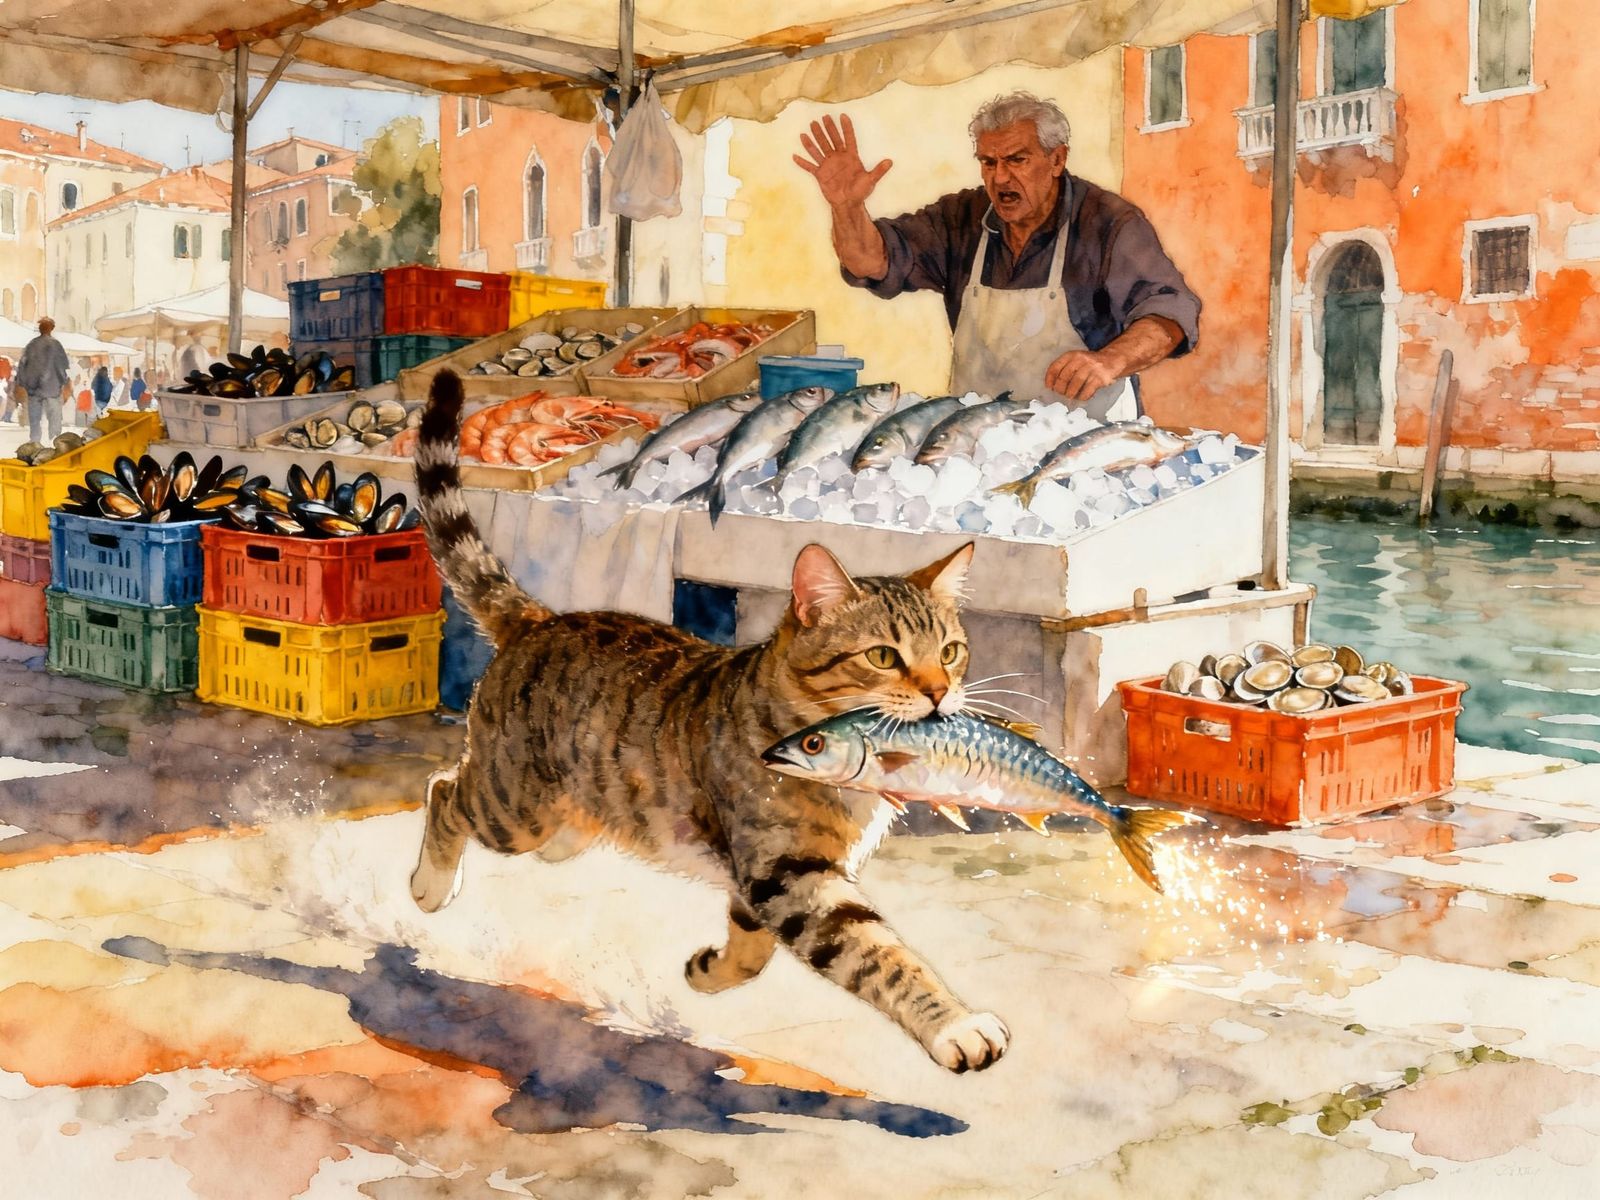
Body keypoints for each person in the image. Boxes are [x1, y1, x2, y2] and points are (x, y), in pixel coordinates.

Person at [796, 92, 1200, 418]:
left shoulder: (1108, 222)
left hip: (1083, 442)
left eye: (1016, 160)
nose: (1000, 178)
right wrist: (847, 208)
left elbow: (1170, 313)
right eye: (988, 163)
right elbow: (872, 262)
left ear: (1057, 159)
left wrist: (1109, 361)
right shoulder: (960, 219)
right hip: (981, 446)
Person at [15, 318, 71, 444]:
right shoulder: (56, 345)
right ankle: (55, 443)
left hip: (33, 389)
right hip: (52, 389)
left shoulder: (31, 345)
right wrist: (63, 383)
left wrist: (22, 383)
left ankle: (35, 442)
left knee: (35, 420)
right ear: (51, 329)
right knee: (54, 419)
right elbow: (62, 367)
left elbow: (22, 366)